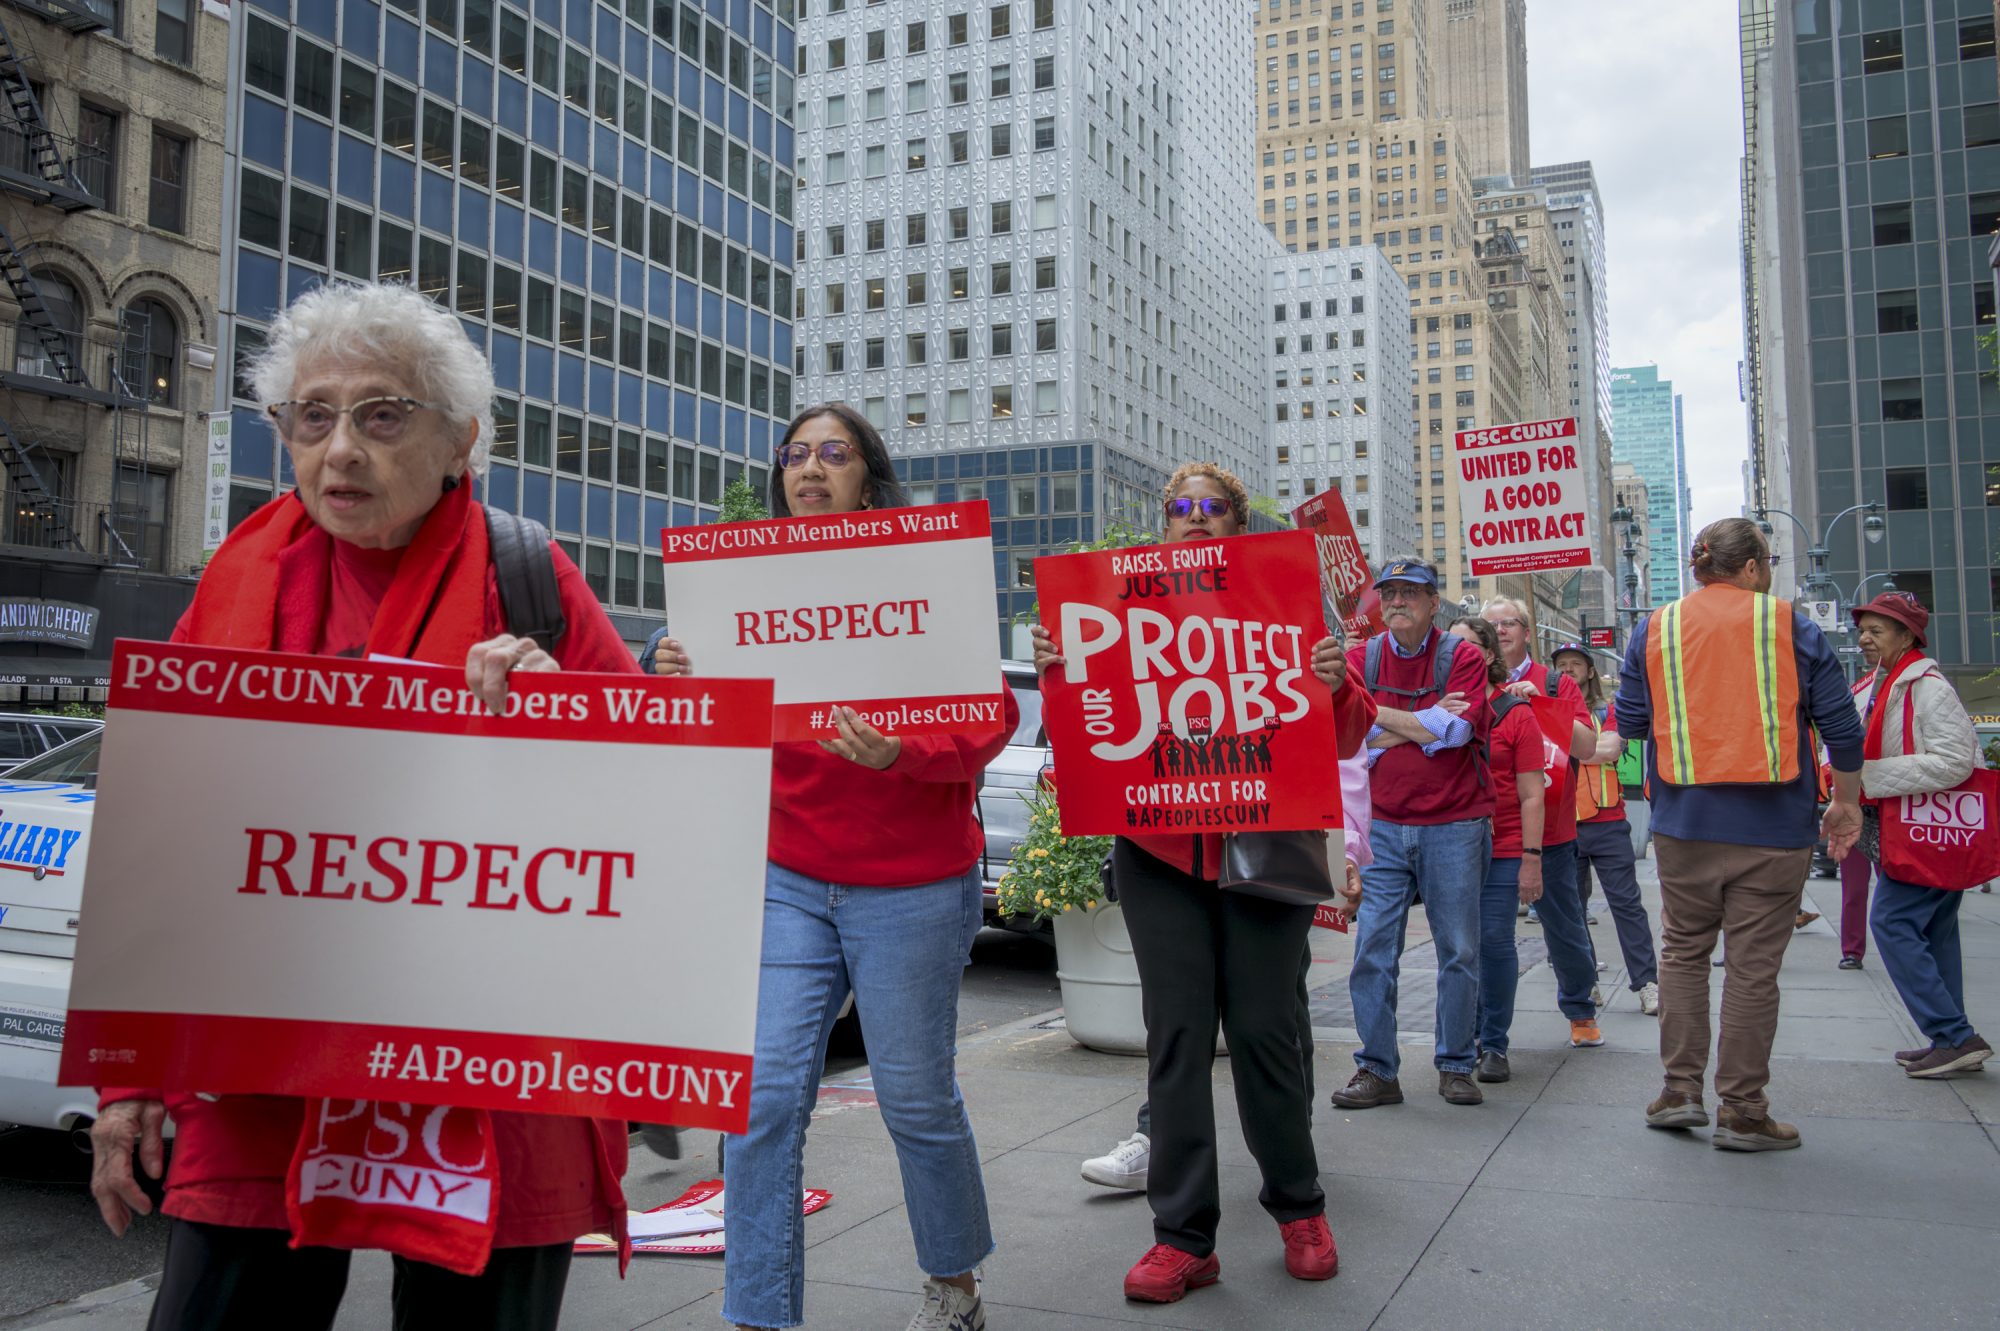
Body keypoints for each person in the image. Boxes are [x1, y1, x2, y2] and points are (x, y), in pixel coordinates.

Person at [85, 281, 638, 1330]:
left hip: (487, 1079)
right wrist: (127, 1074)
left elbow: (651, 819)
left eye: (382, 415)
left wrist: (552, 713)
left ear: (460, 441)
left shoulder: (532, 583)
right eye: (311, 414)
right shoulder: (235, 584)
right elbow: (162, 849)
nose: (340, 447)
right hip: (260, 1072)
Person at [653, 403, 1014, 1331]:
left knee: (916, 1097)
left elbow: (992, 716)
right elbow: (712, 726)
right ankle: (760, 1314)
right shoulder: (740, 583)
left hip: (915, 883)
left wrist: (905, 752)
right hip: (788, 876)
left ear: (868, 475)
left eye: (834, 453)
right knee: (762, 1097)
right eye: (797, 454)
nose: (810, 467)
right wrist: (675, 675)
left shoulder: (925, 573)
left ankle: (953, 1285)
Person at [1034, 462, 1374, 1303]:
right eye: (1178, 507)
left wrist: (1333, 682)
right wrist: (1058, 667)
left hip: (1266, 855)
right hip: (1157, 855)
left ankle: (1299, 1206)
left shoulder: (1284, 602)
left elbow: (1346, 734)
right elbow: (1086, 727)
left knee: (1265, 1031)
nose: (1193, 517)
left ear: (1235, 522)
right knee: (1177, 1039)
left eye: (1210, 506)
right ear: (1163, 523)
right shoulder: (1116, 610)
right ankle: (1184, 1237)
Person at [1614, 518, 1865, 1151]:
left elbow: (1634, 726)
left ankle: (1678, 1091)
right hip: (1775, 829)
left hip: (1683, 826)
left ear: (1701, 568)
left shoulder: (1655, 628)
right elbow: (1841, 725)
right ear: (1751, 567)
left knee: (1682, 954)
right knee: (1753, 974)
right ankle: (1743, 1111)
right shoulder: (1788, 624)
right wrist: (1847, 804)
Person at [1332, 557, 1494, 1109]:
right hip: (1380, 827)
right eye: (1390, 593)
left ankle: (1455, 1065)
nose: (1397, 601)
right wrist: (1422, 720)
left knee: (1459, 950)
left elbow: (1456, 732)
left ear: (1432, 604)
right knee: (1373, 951)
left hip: (1455, 824)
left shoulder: (1463, 655)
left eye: (1411, 593)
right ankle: (1377, 1069)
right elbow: (1350, 736)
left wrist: (1386, 722)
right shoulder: (1360, 657)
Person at [1850, 593, 1991, 1076]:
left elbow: (1955, 760)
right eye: (1863, 630)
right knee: (1936, 932)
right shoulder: (1888, 682)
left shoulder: (1925, 686)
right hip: (1925, 828)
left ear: (1907, 636)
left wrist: (1870, 775)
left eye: (1877, 631)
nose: (1865, 639)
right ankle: (1951, 1038)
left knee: (1892, 923)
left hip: (1923, 831)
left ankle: (1954, 1034)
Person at [1553, 642, 1661, 1015]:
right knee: (1572, 911)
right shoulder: (1551, 708)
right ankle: (1588, 984)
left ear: (1589, 671)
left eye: (1575, 664)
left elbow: (1610, 750)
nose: (1568, 670)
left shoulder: (1606, 711)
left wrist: (1572, 746)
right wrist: (1582, 747)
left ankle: (1647, 983)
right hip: (1565, 823)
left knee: (1627, 905)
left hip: (1608, 823)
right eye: (1562, 665)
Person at [1836, 641, 1882, 970]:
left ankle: (1897, 942)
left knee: (1892, 882)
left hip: (1882, 811)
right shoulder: (1845, 736)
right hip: (1854, 808)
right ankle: (1852, 950)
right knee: (1853, 889)